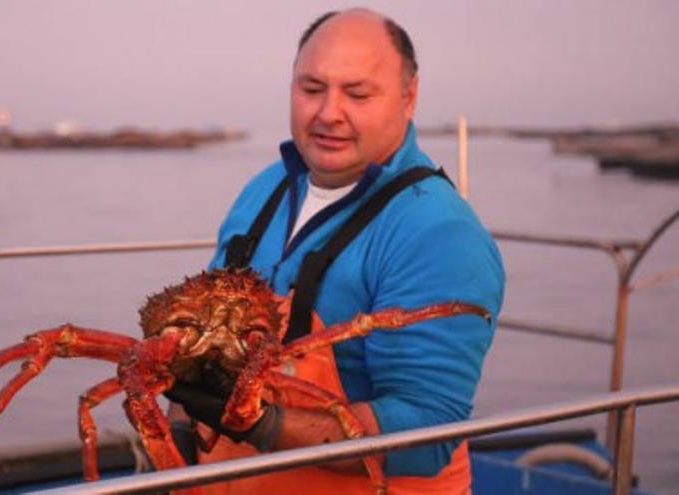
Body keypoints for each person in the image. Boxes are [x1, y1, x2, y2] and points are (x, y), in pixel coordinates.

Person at [166, 8, 505, 495]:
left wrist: (264, 425)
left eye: (357, 93)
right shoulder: (263, 192)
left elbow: (429, 432)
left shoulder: (437, 233)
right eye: (311, 89)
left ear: (408, 98)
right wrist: (178, 425)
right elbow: (196, 338)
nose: (328, 113)